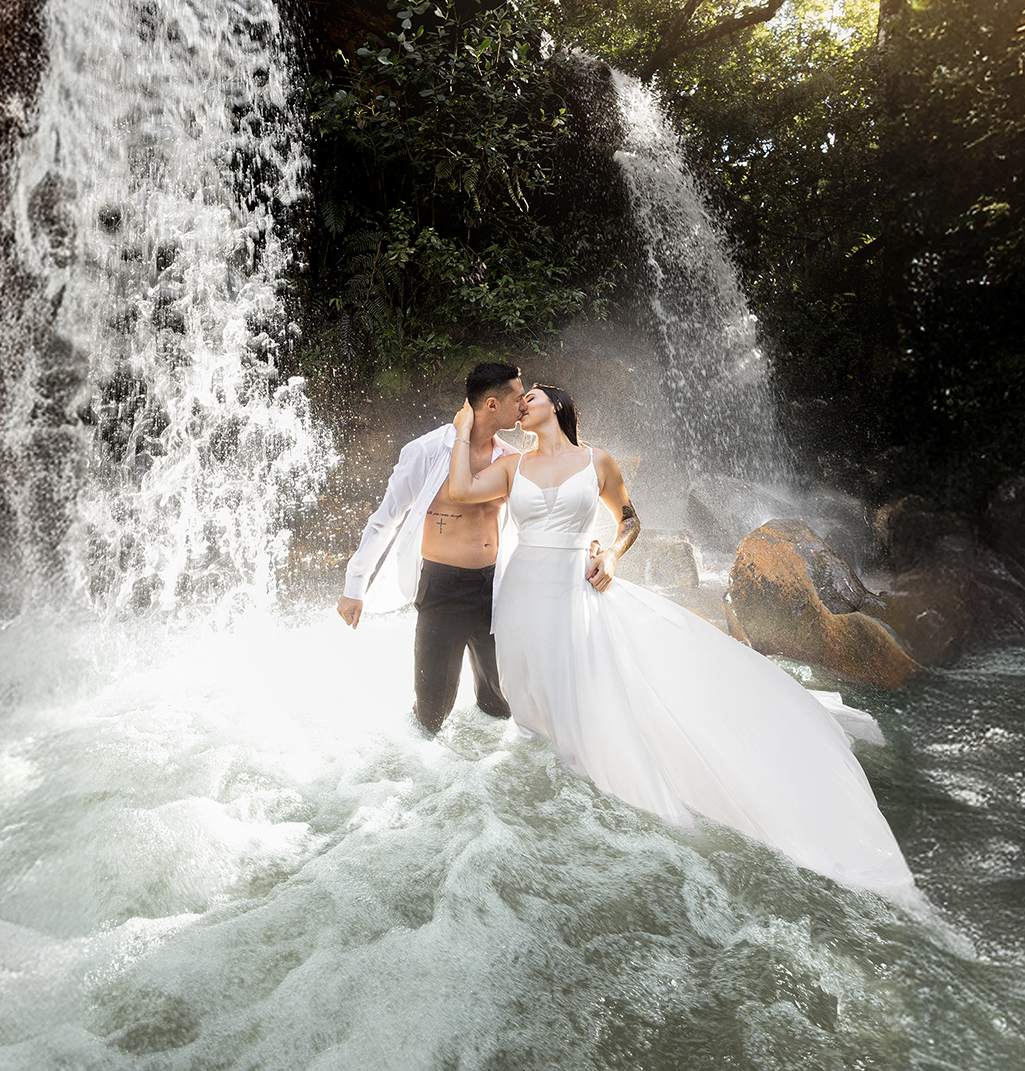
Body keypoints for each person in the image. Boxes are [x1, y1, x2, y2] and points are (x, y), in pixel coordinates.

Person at [440, 383, 918, 898]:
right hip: (521, 591)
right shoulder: (512, 466)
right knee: (528, 686)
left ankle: (586, 783)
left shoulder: (597, 461)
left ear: (556, 406)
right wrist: (464, 429)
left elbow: (629, 519)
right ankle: (539, 794)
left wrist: (612, 555)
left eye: (530, 397)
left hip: (574, 587)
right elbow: (462, 491)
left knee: (582, 684)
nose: (520, 405)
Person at [337, 362, 528, 733]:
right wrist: (354, 587)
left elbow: (536, 521)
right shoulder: (427, 450)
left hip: (497, 590)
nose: (524, 405)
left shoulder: (509, 459)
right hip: (444, 592)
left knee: (503, 703)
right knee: (431, 713)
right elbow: (385, 519)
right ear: (492, 404)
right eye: (518, 398)